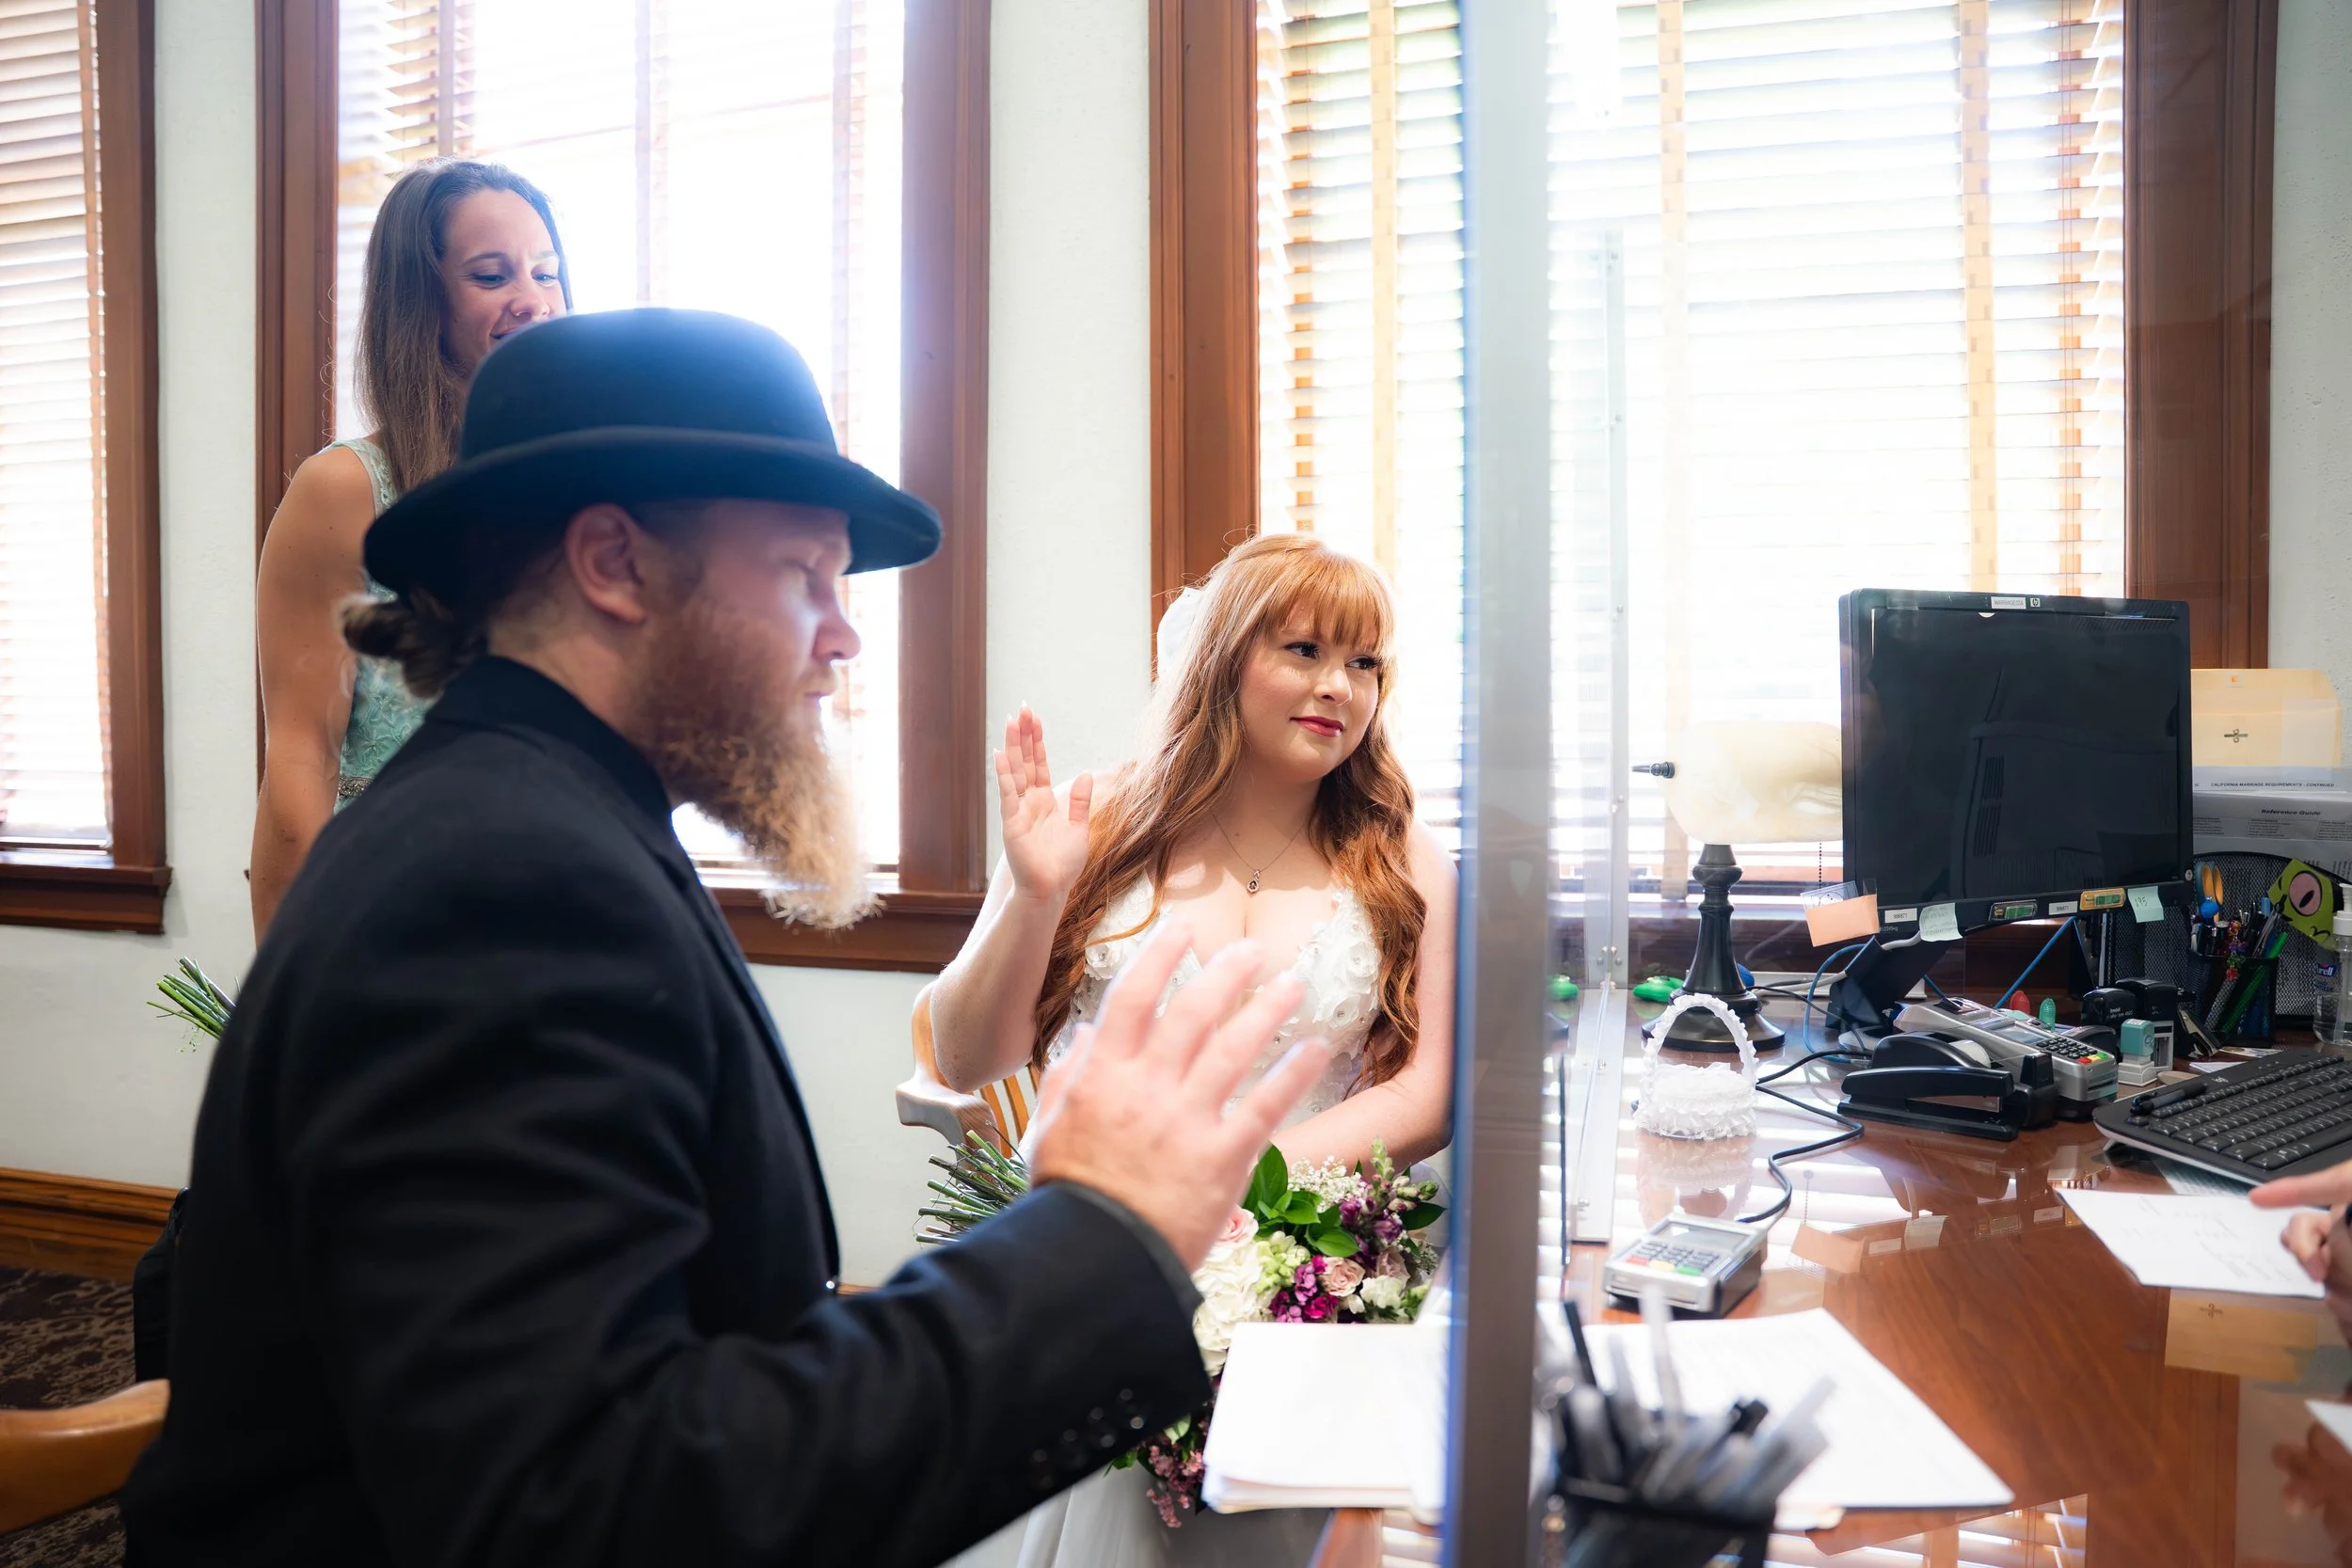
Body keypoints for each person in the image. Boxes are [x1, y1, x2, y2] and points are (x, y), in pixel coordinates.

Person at [120, 309, 1332, 1568]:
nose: (844, 632)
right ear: (614, 562)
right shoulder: (502, 882)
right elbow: (590, 1502)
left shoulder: (545, 816)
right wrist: (1092, 1238)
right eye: (806, 570)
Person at [928, 531, 1458, 1567]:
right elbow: (968, 1056)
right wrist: (1032, 893)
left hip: (1309, 1256)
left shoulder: (1403, 857)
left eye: (1363, 662)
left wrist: (1238, 1193)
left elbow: (1424, 1092)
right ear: (1224, 657)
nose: (1338, 686)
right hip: (1094, 1246)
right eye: (1303, 649)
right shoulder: (1096, 821)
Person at [248, 158, 570, 935]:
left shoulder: (583, 488)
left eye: (546, 271)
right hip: (396, 924)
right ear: (421, 301)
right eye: (491, 275)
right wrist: (293, 985)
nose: (532, 298)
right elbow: (300, 759)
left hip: (566, 910)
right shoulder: (345, 490)